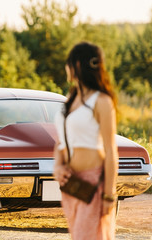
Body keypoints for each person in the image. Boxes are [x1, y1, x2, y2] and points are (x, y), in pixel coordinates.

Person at [53, 42, 118, 239]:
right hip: (72, 184)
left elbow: (111, 150)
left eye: (68, 63)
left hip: (93, 183)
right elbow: (60, 142)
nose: (66, 68)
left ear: (77, 65)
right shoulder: (71, 99)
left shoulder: (101, 101)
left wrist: (109, 195)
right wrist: (57, 166)